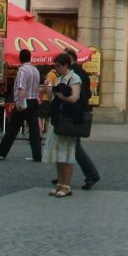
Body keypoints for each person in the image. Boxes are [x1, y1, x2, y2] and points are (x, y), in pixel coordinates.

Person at [0, 48, 42, 162]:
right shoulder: (35, 70)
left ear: (20, 58)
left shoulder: (22, 70)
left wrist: (20, 103)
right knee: (34, 129)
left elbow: (21, 88)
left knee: (13, 128)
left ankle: (1, 152)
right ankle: (37, 155)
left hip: (24, 101)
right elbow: (37, 87)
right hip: (34, 100)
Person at [45, 52, 80, 197]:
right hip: (57, 118)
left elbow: (74, 98)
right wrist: (49, 92)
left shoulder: (74, 78)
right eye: (55, 66)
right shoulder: (59, 79)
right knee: (58, 153)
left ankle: (67, 185)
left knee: (68, 154)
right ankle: (59, 183)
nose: (57, 69)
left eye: (59, 66)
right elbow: (52, 98)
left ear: (66, 65)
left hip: (69, 119)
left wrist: (58, 94)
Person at [67, 49, 100, 190]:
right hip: (79, 113)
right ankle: (63, 176)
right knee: (70, 146)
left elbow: (74, 95)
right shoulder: (83, 72)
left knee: (74, 146)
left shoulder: (73, 74)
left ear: (69, 59)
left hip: (73, 114)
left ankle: (91, 174)